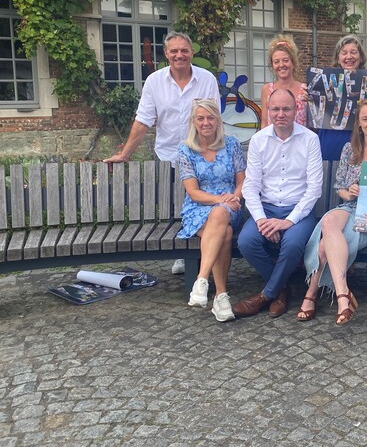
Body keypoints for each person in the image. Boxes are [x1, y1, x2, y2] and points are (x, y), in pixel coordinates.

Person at [104, 31, 219, 276]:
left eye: (184, 50)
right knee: (176, 207)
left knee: (204, 207)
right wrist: (125, 154)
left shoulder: (207, 79)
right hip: (169, 155)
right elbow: (143, 121)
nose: (179, 55)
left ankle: (203, 254)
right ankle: (183, 254)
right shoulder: (154, 82)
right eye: (174, 51)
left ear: (192, 53)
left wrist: (215, 154)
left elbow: (213, 117)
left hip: (200, 155)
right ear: (166, 54)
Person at [298, 99, 367, 324]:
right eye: (365, 119)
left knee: (325, 245)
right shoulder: (350, 149)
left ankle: (311, 295)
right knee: (328, 221)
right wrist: (351, 192)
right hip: (350, 206)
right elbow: (340, 189)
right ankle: (343, 293)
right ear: (359, 124)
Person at [234, 89, 323, 319]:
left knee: (292, 245)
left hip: (298, 212)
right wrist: (262, 220)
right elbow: (250, 186)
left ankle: (266, 294)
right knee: (246, 241)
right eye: (275, 109)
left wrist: (287, 222)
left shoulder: (310, 139)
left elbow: (314, 189)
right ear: (268, 111)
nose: (280, 114)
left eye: (286, 109)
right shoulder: (258, 140)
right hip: (267, 208)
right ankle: (282, 288)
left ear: (295, 111)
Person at [177, 99, 245, 322]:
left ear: (218, 120)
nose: (206, 122)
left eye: (210, 118)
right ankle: (221, 296)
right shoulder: (186, 150)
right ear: (194, 122)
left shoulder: (232, 144)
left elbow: (242, 181)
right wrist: (220, 199)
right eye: (201, 118)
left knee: (220, 214)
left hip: (231, 206)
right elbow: (193, 192)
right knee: (223, 232)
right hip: (198, 208)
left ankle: (201, 279)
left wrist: (232, 198)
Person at [318, 35, 367, 161]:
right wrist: (309, 98)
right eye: (344, 53)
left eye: (354, 52)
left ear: (361, 57)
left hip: (362, 143)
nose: (349, 57)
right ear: (338, 58)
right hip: (332, 140)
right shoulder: (324, 81)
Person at [260, 36, 308, 128]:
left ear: (293, 63)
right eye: (276, 62)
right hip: (274, 141)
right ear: (272, 66)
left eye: (285, 60)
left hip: (300, 141)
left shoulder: (305, 90)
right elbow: (264, 123)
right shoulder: (266, 89)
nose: (281, 65)